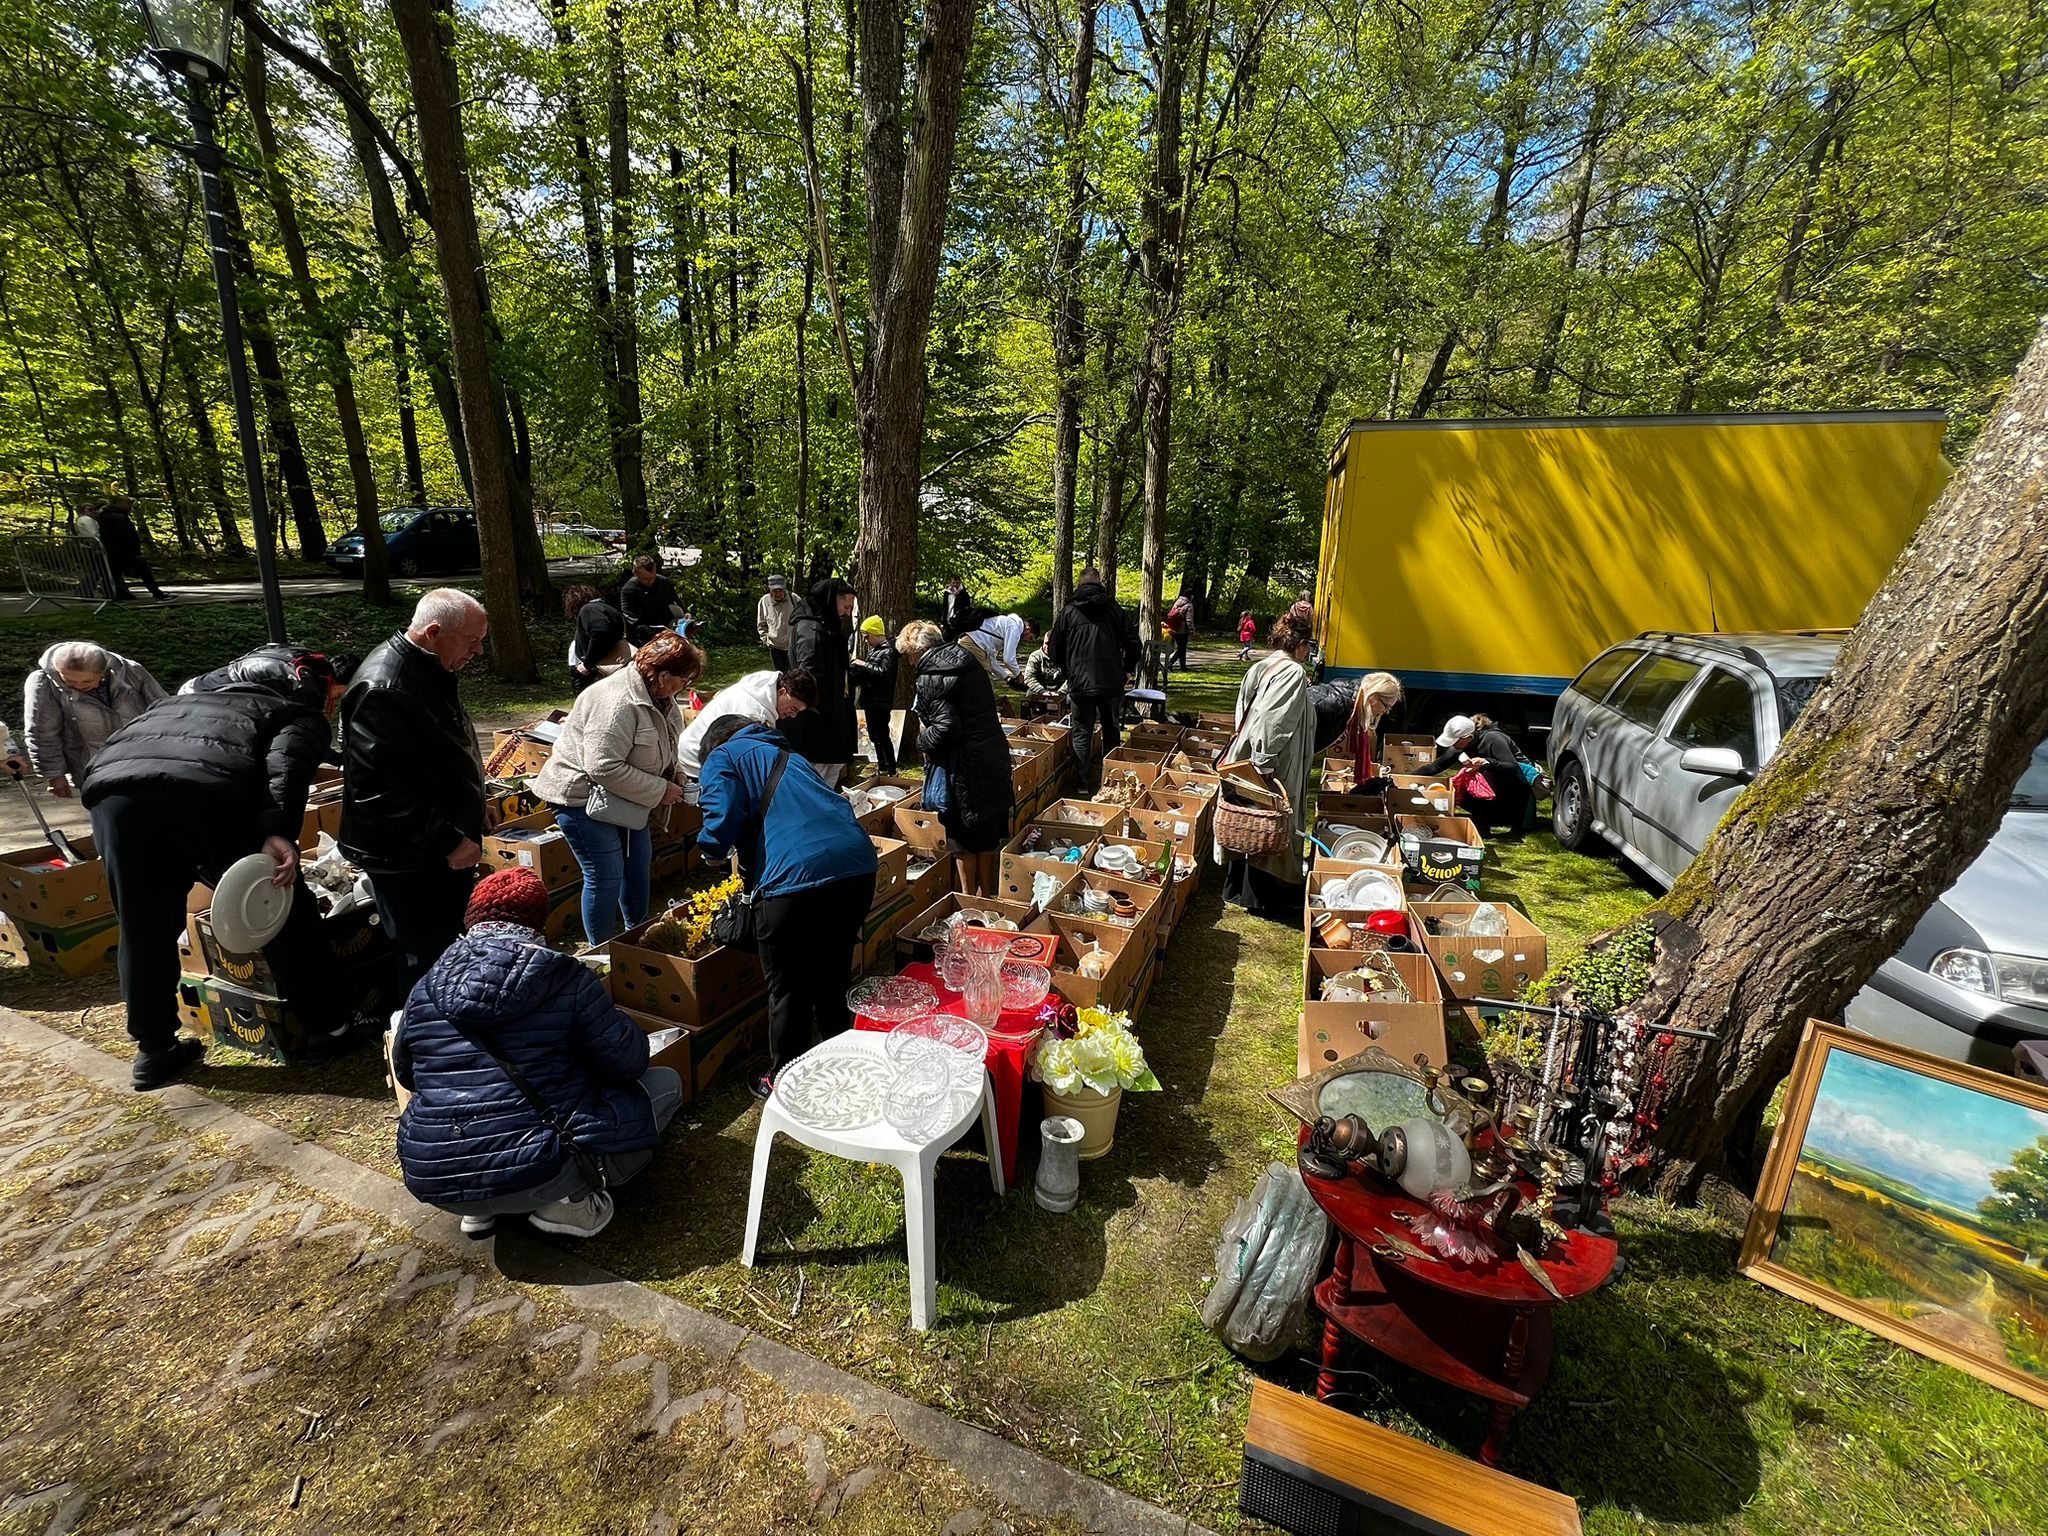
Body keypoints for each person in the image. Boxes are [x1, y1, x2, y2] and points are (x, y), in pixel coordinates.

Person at [82, 647, 359, 1089]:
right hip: (206, 795)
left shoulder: (175, 702)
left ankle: (154, 1050)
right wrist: (277, 832)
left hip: (113, 798)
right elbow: (284, 769)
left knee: (142, 926)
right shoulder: (291, 712)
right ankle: (328, 1028)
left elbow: (115, 756)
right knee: (282, 906)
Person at [392, 867, 682, 1239]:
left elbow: (407, 1074)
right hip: (538, 1165)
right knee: (665, 1084)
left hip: (434, 1172)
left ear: (472, 920)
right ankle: (568, 1204)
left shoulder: (426, 986)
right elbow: (629, 1062)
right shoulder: (566, 978)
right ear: (537, 923)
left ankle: (478, 1211)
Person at [696, 715, 877, 1099]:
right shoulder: (790, 756)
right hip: (857, 866)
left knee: (788, 986)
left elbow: (721, 814)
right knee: (833, 970)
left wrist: (711, 849)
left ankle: (784, 1079)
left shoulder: (723, 755)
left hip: (796, 879)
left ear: (714, 743)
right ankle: (841, 1054)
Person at [341, 589, 490, 994]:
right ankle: (425, 1040)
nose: (477, 652)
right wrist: (447, 839)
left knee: (449, 941)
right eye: (471, 641)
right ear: (434, 631)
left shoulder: (429, 669)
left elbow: (447, 748)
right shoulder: (385, 687)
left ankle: (449, 1022)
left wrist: (477, 802)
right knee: (424, 952)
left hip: (436, 838)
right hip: (408, 852)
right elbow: (378, 789)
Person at [532, 632, 705, 943]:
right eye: (684, 680)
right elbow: (602, 766)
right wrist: (659, 789)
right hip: (582, 797)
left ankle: (637, 938)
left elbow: (668, 744)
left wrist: (674, 773)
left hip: (625, 796)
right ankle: (604, 951)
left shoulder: (662, 697)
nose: (685, 687)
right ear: (663, 675)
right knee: (605, 874)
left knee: (639, 864)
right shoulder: (616, 702)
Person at [899, 619, 1013, 898]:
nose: (910, 663)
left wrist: (920, 741)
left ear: (918, 650)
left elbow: (946, 727)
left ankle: (967, 899)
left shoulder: (932, 673)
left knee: (962, 837)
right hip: (991, 754)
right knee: (985, 833)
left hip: (962, 765)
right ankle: (985, 895)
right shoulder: (967, 659)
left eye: (909, 656)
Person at [1219, 614, 1316, 922]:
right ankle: (1262, 898)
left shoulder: (1262, 665)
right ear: (1301, 645)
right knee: (1269, 822)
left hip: (1250, 754)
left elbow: (1243, 711)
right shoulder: (1292, 671)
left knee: (1248, 820)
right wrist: (1265, 762)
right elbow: (1274, 720)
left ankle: (1237, 889)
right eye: (1308, 646)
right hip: (1272, 760)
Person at [22, 641, 166, 798]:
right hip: (92, 766)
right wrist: (54, 775)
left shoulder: (130, 671)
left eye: (87, 681)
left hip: (144, 757)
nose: (78, 686)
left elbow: (164, 709)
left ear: (102, 672)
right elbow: (42, 732)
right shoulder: (44, 683)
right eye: (69, 681)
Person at [1046, 567, 1139, 790]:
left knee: (1081, 731)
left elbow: (1054, 647)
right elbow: (1134, 643)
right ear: (1099, 583)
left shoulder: (1068, 612)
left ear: (1079, 584)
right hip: (1109, 680)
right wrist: (1126, 669)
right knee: (1111, 730)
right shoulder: (1114, 609)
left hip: (1080, 681)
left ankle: (1083, 783)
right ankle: (1111, 781)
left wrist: (1067, 669)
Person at [677, 668, 818, 780]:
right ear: (782, 692)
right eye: (793, 708)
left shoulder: (760, 687)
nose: (793, 715)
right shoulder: (754, 715)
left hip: (693, 752)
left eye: (798, 712)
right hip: (694, 764)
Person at [784, 576, 859, 786]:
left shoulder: (824, 627)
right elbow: (810, 678)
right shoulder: (810, 631)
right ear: (830, 600)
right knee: (815, 779)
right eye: (845, 606)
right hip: (816, 723)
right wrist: (828, 711)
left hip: (830, 715)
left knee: (829, 774)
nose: (846, 612)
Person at [1417, 713, 1532, 834]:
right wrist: (1404, 777)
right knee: (1459, 786)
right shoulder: (1459, 747)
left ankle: (1492, 820)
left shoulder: (1493, 739)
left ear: (1469, 738)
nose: (1452, 745)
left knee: (1485, 775)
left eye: (1454, 741)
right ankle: (1485, 818)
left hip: (1516, 786)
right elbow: (1435, 766)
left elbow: (1513, 767)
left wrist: (1486, 762)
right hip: (1494, 787)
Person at [852, 615, 905, 774]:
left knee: (883, 737)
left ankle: (891, 769)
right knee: (874, 737)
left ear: (875, 633)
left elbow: (884, 673)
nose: (866, 640)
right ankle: (881, 766)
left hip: (881, 702)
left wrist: (863, 664)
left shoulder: (889, 652)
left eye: (867, 636)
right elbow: (870, 674)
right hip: (870, 700)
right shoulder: (875, 650)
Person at [92, 498, 168, 601]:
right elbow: (127, 536)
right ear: (118, 503)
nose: (130, 507)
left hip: (115, 551)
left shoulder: (108, 516)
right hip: (123, 551)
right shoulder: (117, 517)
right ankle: (156, 593)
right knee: (142, 570)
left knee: (114, 574)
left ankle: (115, 594)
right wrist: (134, 551)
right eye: (127, 503)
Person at [564, 584, 631, 695]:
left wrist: (588, 664)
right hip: (611, 666)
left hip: (595, 670)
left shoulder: (589, 609)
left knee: (588, 707)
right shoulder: (609, 609)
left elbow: (601, 633)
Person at [619, 555, 683, 645]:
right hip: (644, 638)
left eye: (652, 578)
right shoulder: (629, 590)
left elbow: (676, 603)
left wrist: (685, 614)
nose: (650, 582)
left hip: (671, 632)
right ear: (635, 574)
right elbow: (633, 621)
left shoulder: (663, 583)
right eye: (645, 579)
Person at [967, 612, 1034, 686]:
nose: (1027, 641)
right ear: (1028, 629)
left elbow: (991, 661)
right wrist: (1019, 675)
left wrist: (1006, 678)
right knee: (985, 684)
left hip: (968, 640)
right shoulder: (1014, 628)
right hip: (974, 644)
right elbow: (1008, 659)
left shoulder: (1005, 626)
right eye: (1030, 638)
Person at [1020, 632, 1067, 713]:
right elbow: (1029, 677)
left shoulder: (1065, 657)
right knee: (1030, 695)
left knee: (1074, 697)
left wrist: (1060, 692)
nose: (1047, 647)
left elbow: (1072, 677)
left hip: (1060, 690)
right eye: (1046, 643)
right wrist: (1042, 691)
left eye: (1051, 644)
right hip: (1040, 689)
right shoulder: (1035, 656)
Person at [756, 575, 794, 670]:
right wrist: (766, 639)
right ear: (770, 590)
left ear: (784, 588)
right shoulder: (764, 601)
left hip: (793, 646)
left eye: (780, 590)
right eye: (774, 591)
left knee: (794, 676)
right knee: (780, 676)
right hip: (775, 647)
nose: (778, 593)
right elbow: (761, 624)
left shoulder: (794, 599)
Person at [940, 575, 975, 639]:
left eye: (957, 583)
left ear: (960, 582)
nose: (955, 585)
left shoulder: (964, 594)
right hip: (948, 622)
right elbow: (944, 608)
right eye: (953, 583)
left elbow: (967, 609)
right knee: (946, 639)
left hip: (959, 623)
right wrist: (942, 622)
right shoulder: (947, 593)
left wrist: (958, 595)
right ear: (950, 583)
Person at [1166, 594, 1193, 671]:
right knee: (1181, 649)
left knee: (1181, 648)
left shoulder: (1177, 602)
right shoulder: (1189, 605)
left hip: (1174, 629)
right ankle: (1170, 664)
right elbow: (1189, 620)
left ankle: (1183, 667)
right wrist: (1191, 630)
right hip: (1182, 631)